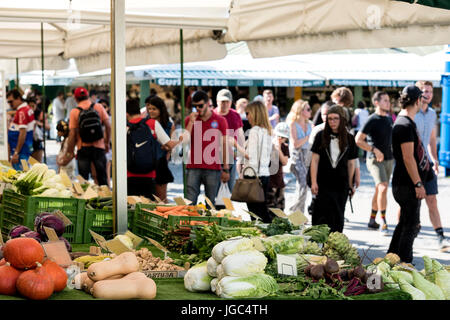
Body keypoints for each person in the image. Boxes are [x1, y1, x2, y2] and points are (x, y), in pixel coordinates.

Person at [387, 85, 433, 263]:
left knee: (405, 223)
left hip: (405, 182)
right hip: (407, 184)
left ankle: (391, 259)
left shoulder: (406, 121)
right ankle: (405, 263)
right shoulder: (404, 124)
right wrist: (418, 183)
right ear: (417, 101)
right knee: (411, 226)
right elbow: (408, 158)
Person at [413, 80, 450, 251]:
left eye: (429, 91)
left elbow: (432, 139)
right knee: (410, 204)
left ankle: (441, 237)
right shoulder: (410, 114)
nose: (427, 94)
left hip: (427, 164)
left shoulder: (432, 114)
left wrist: (435, 159)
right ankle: (406, 232)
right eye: (423, 91)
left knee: (432, 200)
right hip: (412, 164)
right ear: (417, 93)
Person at [310, 105, 358, 233]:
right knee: (320, 218)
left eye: (336, 118)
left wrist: (350, 184)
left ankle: (333, 249)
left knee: (337, 218)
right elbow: (314, 160)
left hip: (341, 184)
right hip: (323, 182)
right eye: (330, 119)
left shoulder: (350, 139)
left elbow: (351, 164)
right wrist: (313, 181)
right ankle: (318, 248)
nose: (332, 122)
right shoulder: (320, 136)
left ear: (342, 119)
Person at [355, 91, 394, 234]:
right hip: (374, 160)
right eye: (385, 100)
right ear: (376, 102)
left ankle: (372, 220)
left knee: (379, 189)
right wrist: (374, 150)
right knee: (383, 187)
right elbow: (358, 140)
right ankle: (383, 221)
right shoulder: (371, 119)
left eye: (388, 100)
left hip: (389, 160)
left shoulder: (390, 119)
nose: (388, 103)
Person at [183, 90, 230, 207]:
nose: (197, 109)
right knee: (189, 201)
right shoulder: (190, 119)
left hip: (213, 167)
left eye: (200, 105)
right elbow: (184, 141)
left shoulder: (220, 120)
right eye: (195, 106)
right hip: (193, 166)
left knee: (211, 202)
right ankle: (188, 224)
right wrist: (191, 123)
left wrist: (226, 168)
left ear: (208, 103)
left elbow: (225, 145)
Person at [126, 98, 178, 199]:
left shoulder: (125, 126)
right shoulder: (152, 123)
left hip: (130, 174)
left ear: (127, 114)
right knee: (150, 206)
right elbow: (170, 145)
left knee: (131, 207)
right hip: (150, 173)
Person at [234, 101, 274, 223]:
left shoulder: (255, 131)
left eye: (248, 113)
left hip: (253, 176)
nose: (247, 116)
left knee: (256, 215)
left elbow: (249, 156)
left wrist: (234, 144)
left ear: (255, 113)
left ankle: (263, 238)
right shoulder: (267, 131)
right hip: (264, 175)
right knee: (262, 212)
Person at [65, 87, 111, 186]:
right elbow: (108, 126)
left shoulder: (74, 112)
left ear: (76, 98)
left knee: (83, 180)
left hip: (83, 148)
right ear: (87, 95)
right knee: (102, 177)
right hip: (99, 147)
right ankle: (105, 198)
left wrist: (70, 150)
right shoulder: (98, 107)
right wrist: (106, 143)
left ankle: (85, 200)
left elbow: (72, 133)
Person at [213, 89, 245, 206]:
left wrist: (242, 155)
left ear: (231, 102)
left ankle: (226, 214)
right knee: (213, 190)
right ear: (217, 101)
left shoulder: (235, 115)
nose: (224, 104)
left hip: (231, 157)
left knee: (229, 189)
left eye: (227, 102)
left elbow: (240, 136)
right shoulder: (212, 115)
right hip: (213, 159)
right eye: (222, 102)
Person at [145, 95, 175, 202]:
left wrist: (167, 153)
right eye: (149, 109)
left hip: (161, 162)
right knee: (148, 198)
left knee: (161, 199)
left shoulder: (169, 125)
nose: (151, 111)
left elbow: (172, 145)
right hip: (147, 162)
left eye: (154, 109)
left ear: (160, 109)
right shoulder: (145, 123)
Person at [306, 101, 333, 215]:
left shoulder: (343, 131)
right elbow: (310, 154)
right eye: (323, 114)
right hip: (320, 172)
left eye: (327, 114)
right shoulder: (317, 130)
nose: (325, 117)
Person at [287, 99, 312, 214]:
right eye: (308, 109)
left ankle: (299, 213)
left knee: (303, 185)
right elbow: (295, 143)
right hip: (297, 157)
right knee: (303, 183)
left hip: (308, 156)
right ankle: (294, 209)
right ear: (300, 111)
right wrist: (308, 137)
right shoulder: (293, 124)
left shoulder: (310, 124)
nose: (310, 111)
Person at [7, 89, 35, 170]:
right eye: (8, 102)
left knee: (21, 177)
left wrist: (16, 153)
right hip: (24, 150)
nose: (10, 104)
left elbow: (23, 133)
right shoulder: (26, 109)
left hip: (20, 152)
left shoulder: (22, 112)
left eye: (11, 101)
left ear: (18, 98)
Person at [267, 122, 290, 211]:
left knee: (280, 207)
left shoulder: (284, 147)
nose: (280, 139)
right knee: (270, 205)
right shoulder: (269, 145)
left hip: (279, 180)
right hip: (270, 180)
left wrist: (279, 149)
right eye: (278, 136)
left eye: (283, 137)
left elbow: (284, 162)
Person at [29, 97, 50, 163]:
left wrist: (37, 123)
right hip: (27, 142)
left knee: (37, 165)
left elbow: (48, 127)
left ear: (36, 105)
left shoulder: (40, 114)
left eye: (33, 106)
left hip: (37, 142)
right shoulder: (25, 113)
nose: (31, 108)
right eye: (29, 106)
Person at [99, 99, 112, 188]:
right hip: (99, 148)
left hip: (108, 148)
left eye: (104, 107)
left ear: (108, 108)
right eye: (101, 107)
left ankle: (107, 187)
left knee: (106, 169)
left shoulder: (110, 120)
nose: (103, 109)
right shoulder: (96, 119)